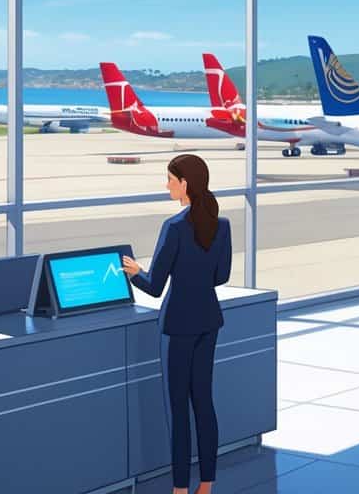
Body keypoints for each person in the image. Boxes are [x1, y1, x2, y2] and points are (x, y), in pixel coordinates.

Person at [122, 154, 232, 494]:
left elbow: (155, 287)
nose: (167, 185)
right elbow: (221, 276)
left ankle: (180, 489)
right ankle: (207, 484)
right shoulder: (221, 225)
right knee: (204, 403)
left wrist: (135, 274)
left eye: (170, 180)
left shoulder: (174, 228)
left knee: (178, 411)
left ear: (185, 184)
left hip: (177, 325)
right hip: (208, 320)